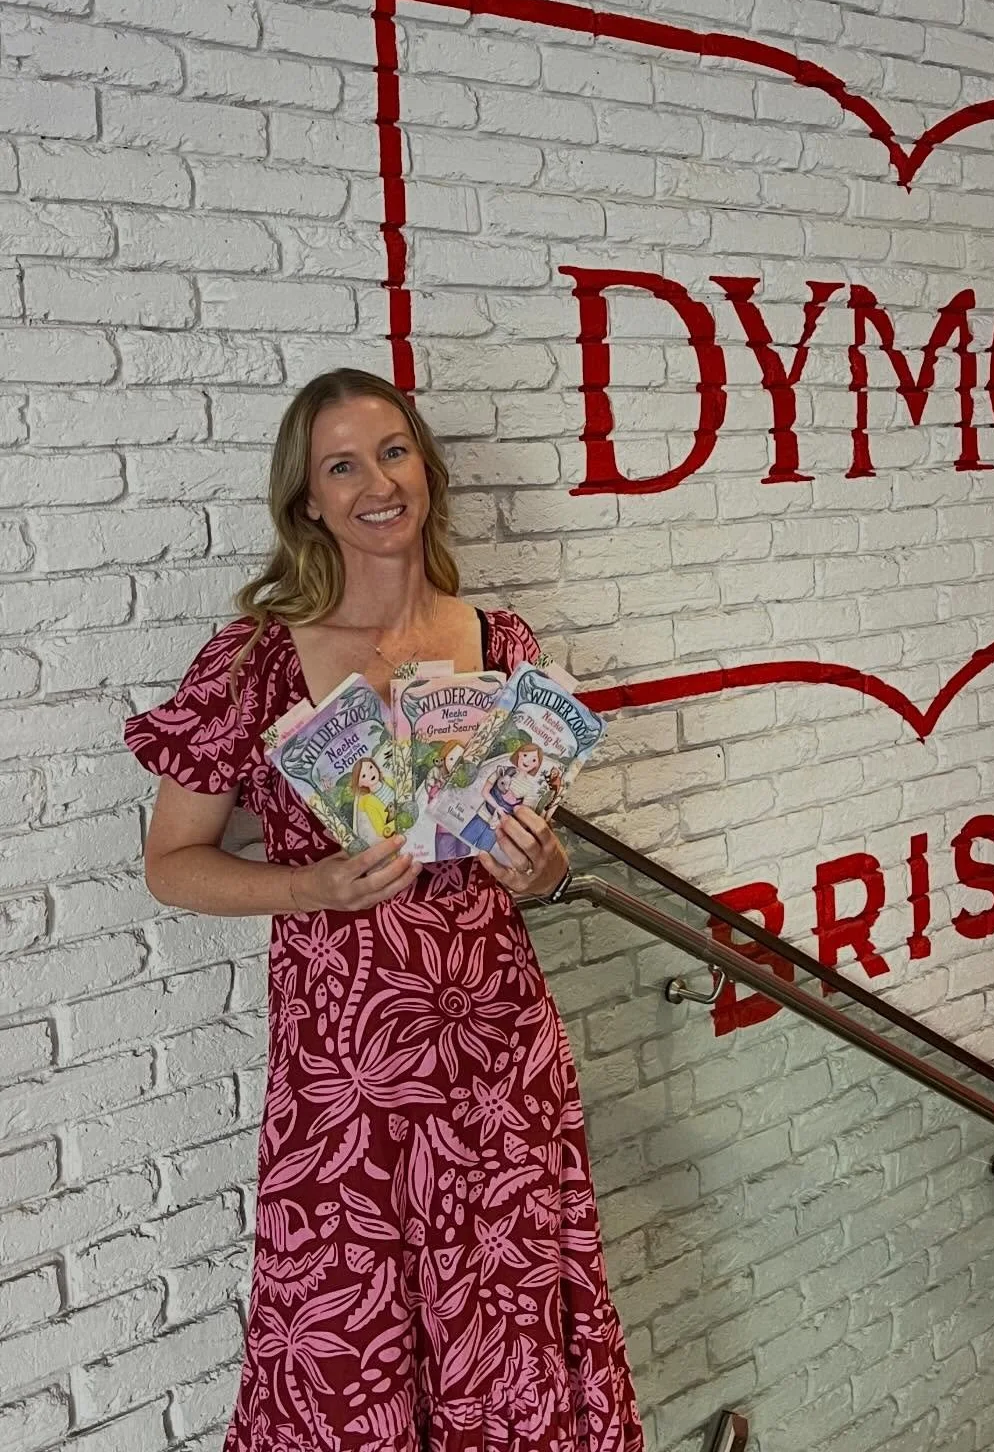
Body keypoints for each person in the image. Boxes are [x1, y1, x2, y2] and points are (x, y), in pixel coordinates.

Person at [128, 368, 643, 1452]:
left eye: (394, 451)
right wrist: (309, 885)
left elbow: (538, 867)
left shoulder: (501, 646)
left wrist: (540, 873)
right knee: (347, 1358)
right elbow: (172, 862)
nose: (377, 482)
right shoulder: (256, 662)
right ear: (308, 500)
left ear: (427, 468)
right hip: (345, 1086)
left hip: (500, 1065)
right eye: (343, 464)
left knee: (506, 1342)